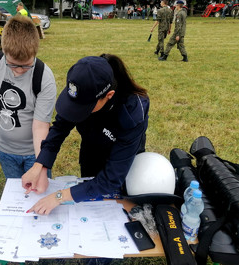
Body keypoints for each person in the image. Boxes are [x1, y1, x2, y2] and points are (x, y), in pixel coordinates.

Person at [22, 54, 150, 215]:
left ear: (109, 95)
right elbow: (60, 128)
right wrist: (40, 164)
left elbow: (111, 179)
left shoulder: (132, 113)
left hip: (123, 163)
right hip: (92, 151)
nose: (75, 111)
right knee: (90, 206)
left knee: (115, 211)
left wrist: (59, 196)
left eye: (83, 108)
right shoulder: (83, 87)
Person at [0, 15, 56, 179]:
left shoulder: (44, 76)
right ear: (3, 50)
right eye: (12, 64)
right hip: (4, 150)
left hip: (34, 152)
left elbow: (41, 126)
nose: (19, 71)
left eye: (26, 65)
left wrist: (39, 165)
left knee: (37, 194)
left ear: (35, 52)